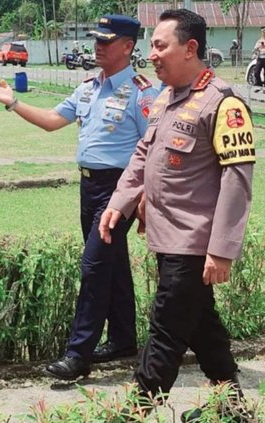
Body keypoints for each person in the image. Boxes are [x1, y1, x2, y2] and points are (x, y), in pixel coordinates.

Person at [0, 15, 158, 380]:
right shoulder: (89, 87)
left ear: (127, 46)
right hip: (89, 187)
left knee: (93, 267)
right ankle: (124, 339)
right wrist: (11, 102)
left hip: (119, 190)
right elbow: (50, 120)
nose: (98, 46)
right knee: (111, 263)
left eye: (107, 41)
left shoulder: (143, 93)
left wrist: (142, 198)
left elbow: (151, 151)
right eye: (97, 39)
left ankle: (78, 356)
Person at [98, 9, 255, 422]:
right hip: (166, 239)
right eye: (152, 46)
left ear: (190, 49)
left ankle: (133, 413)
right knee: (202, 328)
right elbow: (143, 156)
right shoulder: (166, 97)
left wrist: (221, 250)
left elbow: (237, 184)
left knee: (165, 334)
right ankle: (235, 407)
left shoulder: (224, 104)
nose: (152, 55)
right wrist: (120, 202)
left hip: (194, 244)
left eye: (160, 46)